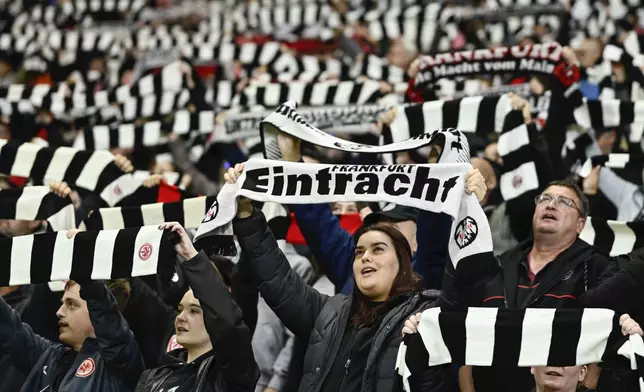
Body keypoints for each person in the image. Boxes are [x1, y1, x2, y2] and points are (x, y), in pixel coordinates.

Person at [225, 163, 454, 392]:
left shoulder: (422, 316)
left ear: (403, 261)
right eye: (359, 252)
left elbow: (440, 248)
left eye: (378, 249)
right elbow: (277, 278)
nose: (365, 257)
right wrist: (247, 216)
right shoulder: (330, 313)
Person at [442, 179, 644, 392]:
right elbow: (468, 337)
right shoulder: (498, 265)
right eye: (545, 199)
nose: (551, 204)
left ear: (580, 224)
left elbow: (605, 346)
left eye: (565, 202)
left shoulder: (595, 268)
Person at [276, 133, 487, 293]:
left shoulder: (422, 278)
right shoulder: (353, 269)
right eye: (379, 226)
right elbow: (320, 225)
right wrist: (294, 161)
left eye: (393, 227)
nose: (381, 232)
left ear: (416, 243)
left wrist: (437, 176)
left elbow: (434, 237)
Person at [0, 230, 144, 392]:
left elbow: (102, 305)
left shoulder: (120, 360)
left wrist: (82, 261)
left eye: (72, 304)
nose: (59, 312)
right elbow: (9, 326)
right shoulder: (48, 355)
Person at [135, 222, 259, 392]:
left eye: (194, 311)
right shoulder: (152, 377)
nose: (180, 317)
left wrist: (191, 256)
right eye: (180, 309)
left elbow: (228, 323)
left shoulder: (229, 376)